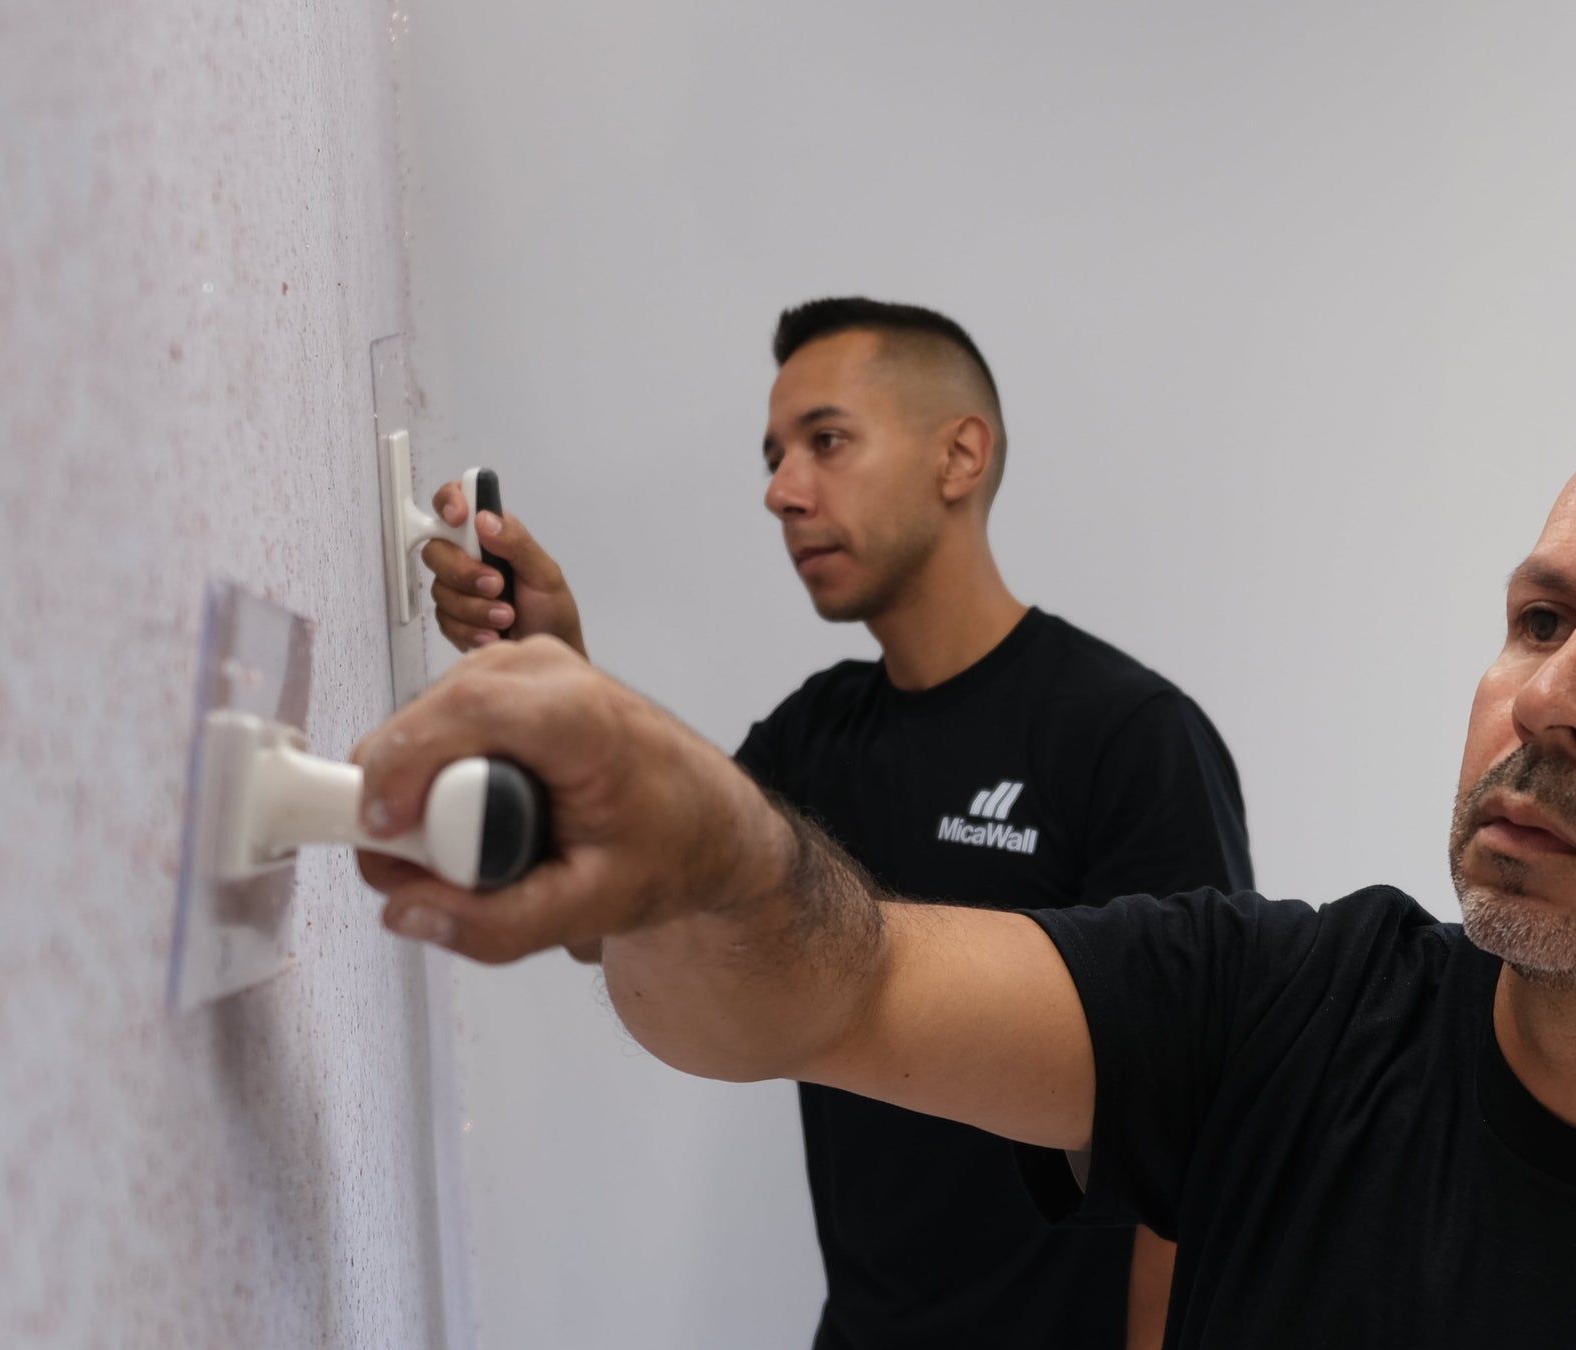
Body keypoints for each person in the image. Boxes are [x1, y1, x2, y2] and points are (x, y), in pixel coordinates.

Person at [368, 358, 1576, 1347]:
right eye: (1542, 615)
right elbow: (837, 981)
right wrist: (692, 850)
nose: (1552, 701)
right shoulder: (1291, 1013)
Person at [418, 297, 1252, 1350]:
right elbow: (627, 915)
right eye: (774, 456)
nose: (781, 491)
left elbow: (1206, 1116)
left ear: (960, 456)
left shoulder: (1129, 737)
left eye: (827, 441)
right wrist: (557, 673)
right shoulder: (815, 738)